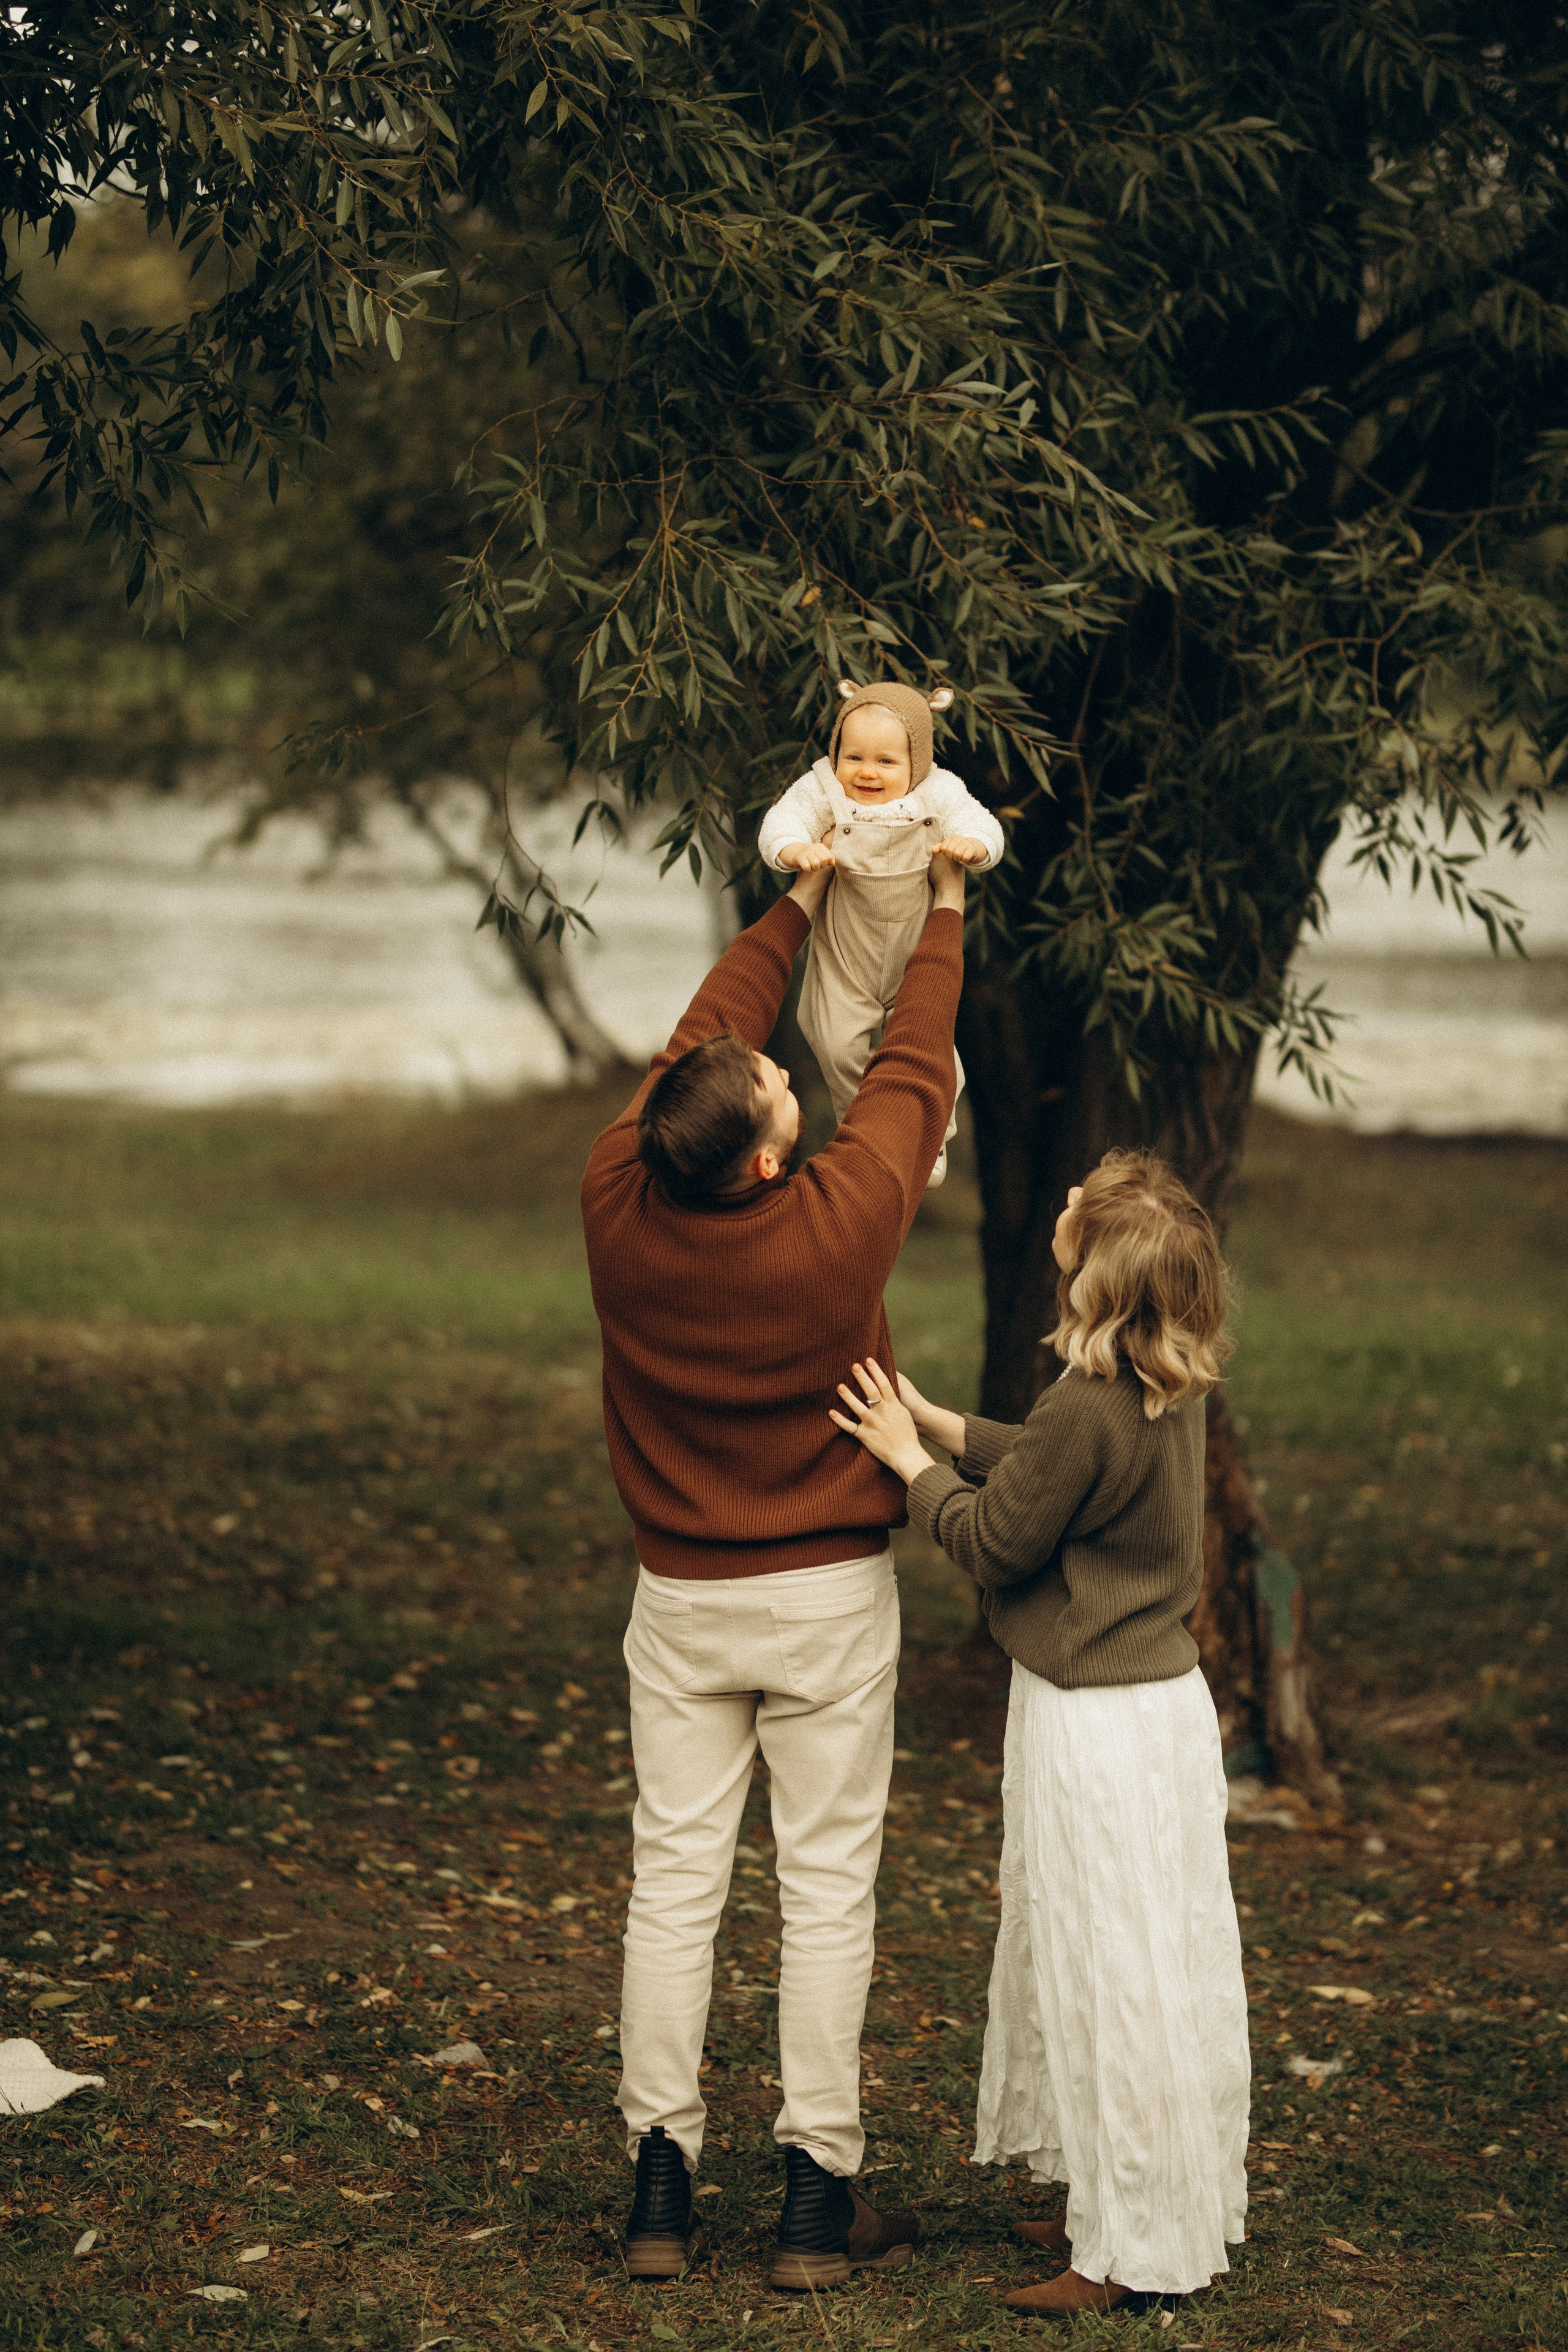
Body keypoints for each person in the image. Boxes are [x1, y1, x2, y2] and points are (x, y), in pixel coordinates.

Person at [579, 837, 969, 2290]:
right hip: (820, 1600)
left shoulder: (617, 1196)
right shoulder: (832, 1227)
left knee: (672, 1881)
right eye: (782, 1095)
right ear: (761, 1155)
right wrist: (936, 905)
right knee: (823, 1885)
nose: (795, 1088)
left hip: (680, 1597)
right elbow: (914, 1064)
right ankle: (815, 2191)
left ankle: (659, 2192)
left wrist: (799, 898)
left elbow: (698, 1038)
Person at [829, 1150, 1250, 2318]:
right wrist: (947, 1423)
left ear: (1097, 1275)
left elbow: (996, 1541)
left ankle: (1120, 2256)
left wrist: (909, 1464)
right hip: (1158, 1713)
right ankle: (1120, 2193)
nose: (1058, 1205)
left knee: (1109, 1970)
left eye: (1076, 1210)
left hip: (1095, 1727)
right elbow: (1057, 1466)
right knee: (1141, 1960)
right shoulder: (1162, 1379)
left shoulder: (1088, 1404)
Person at [758, 679, 1003, 1186]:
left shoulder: (939, 790)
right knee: (834, 1041)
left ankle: (931, 1136)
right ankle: (867, 1128)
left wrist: (973, 847)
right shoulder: (824, 787)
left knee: (934, 1047)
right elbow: (782, 819)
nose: (867, 772)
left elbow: (985, 825)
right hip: (847, 954)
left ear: (917, 760)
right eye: (855, 757)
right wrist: (792, 850)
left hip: (915, 947)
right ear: (836, 753)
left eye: (886, 762)